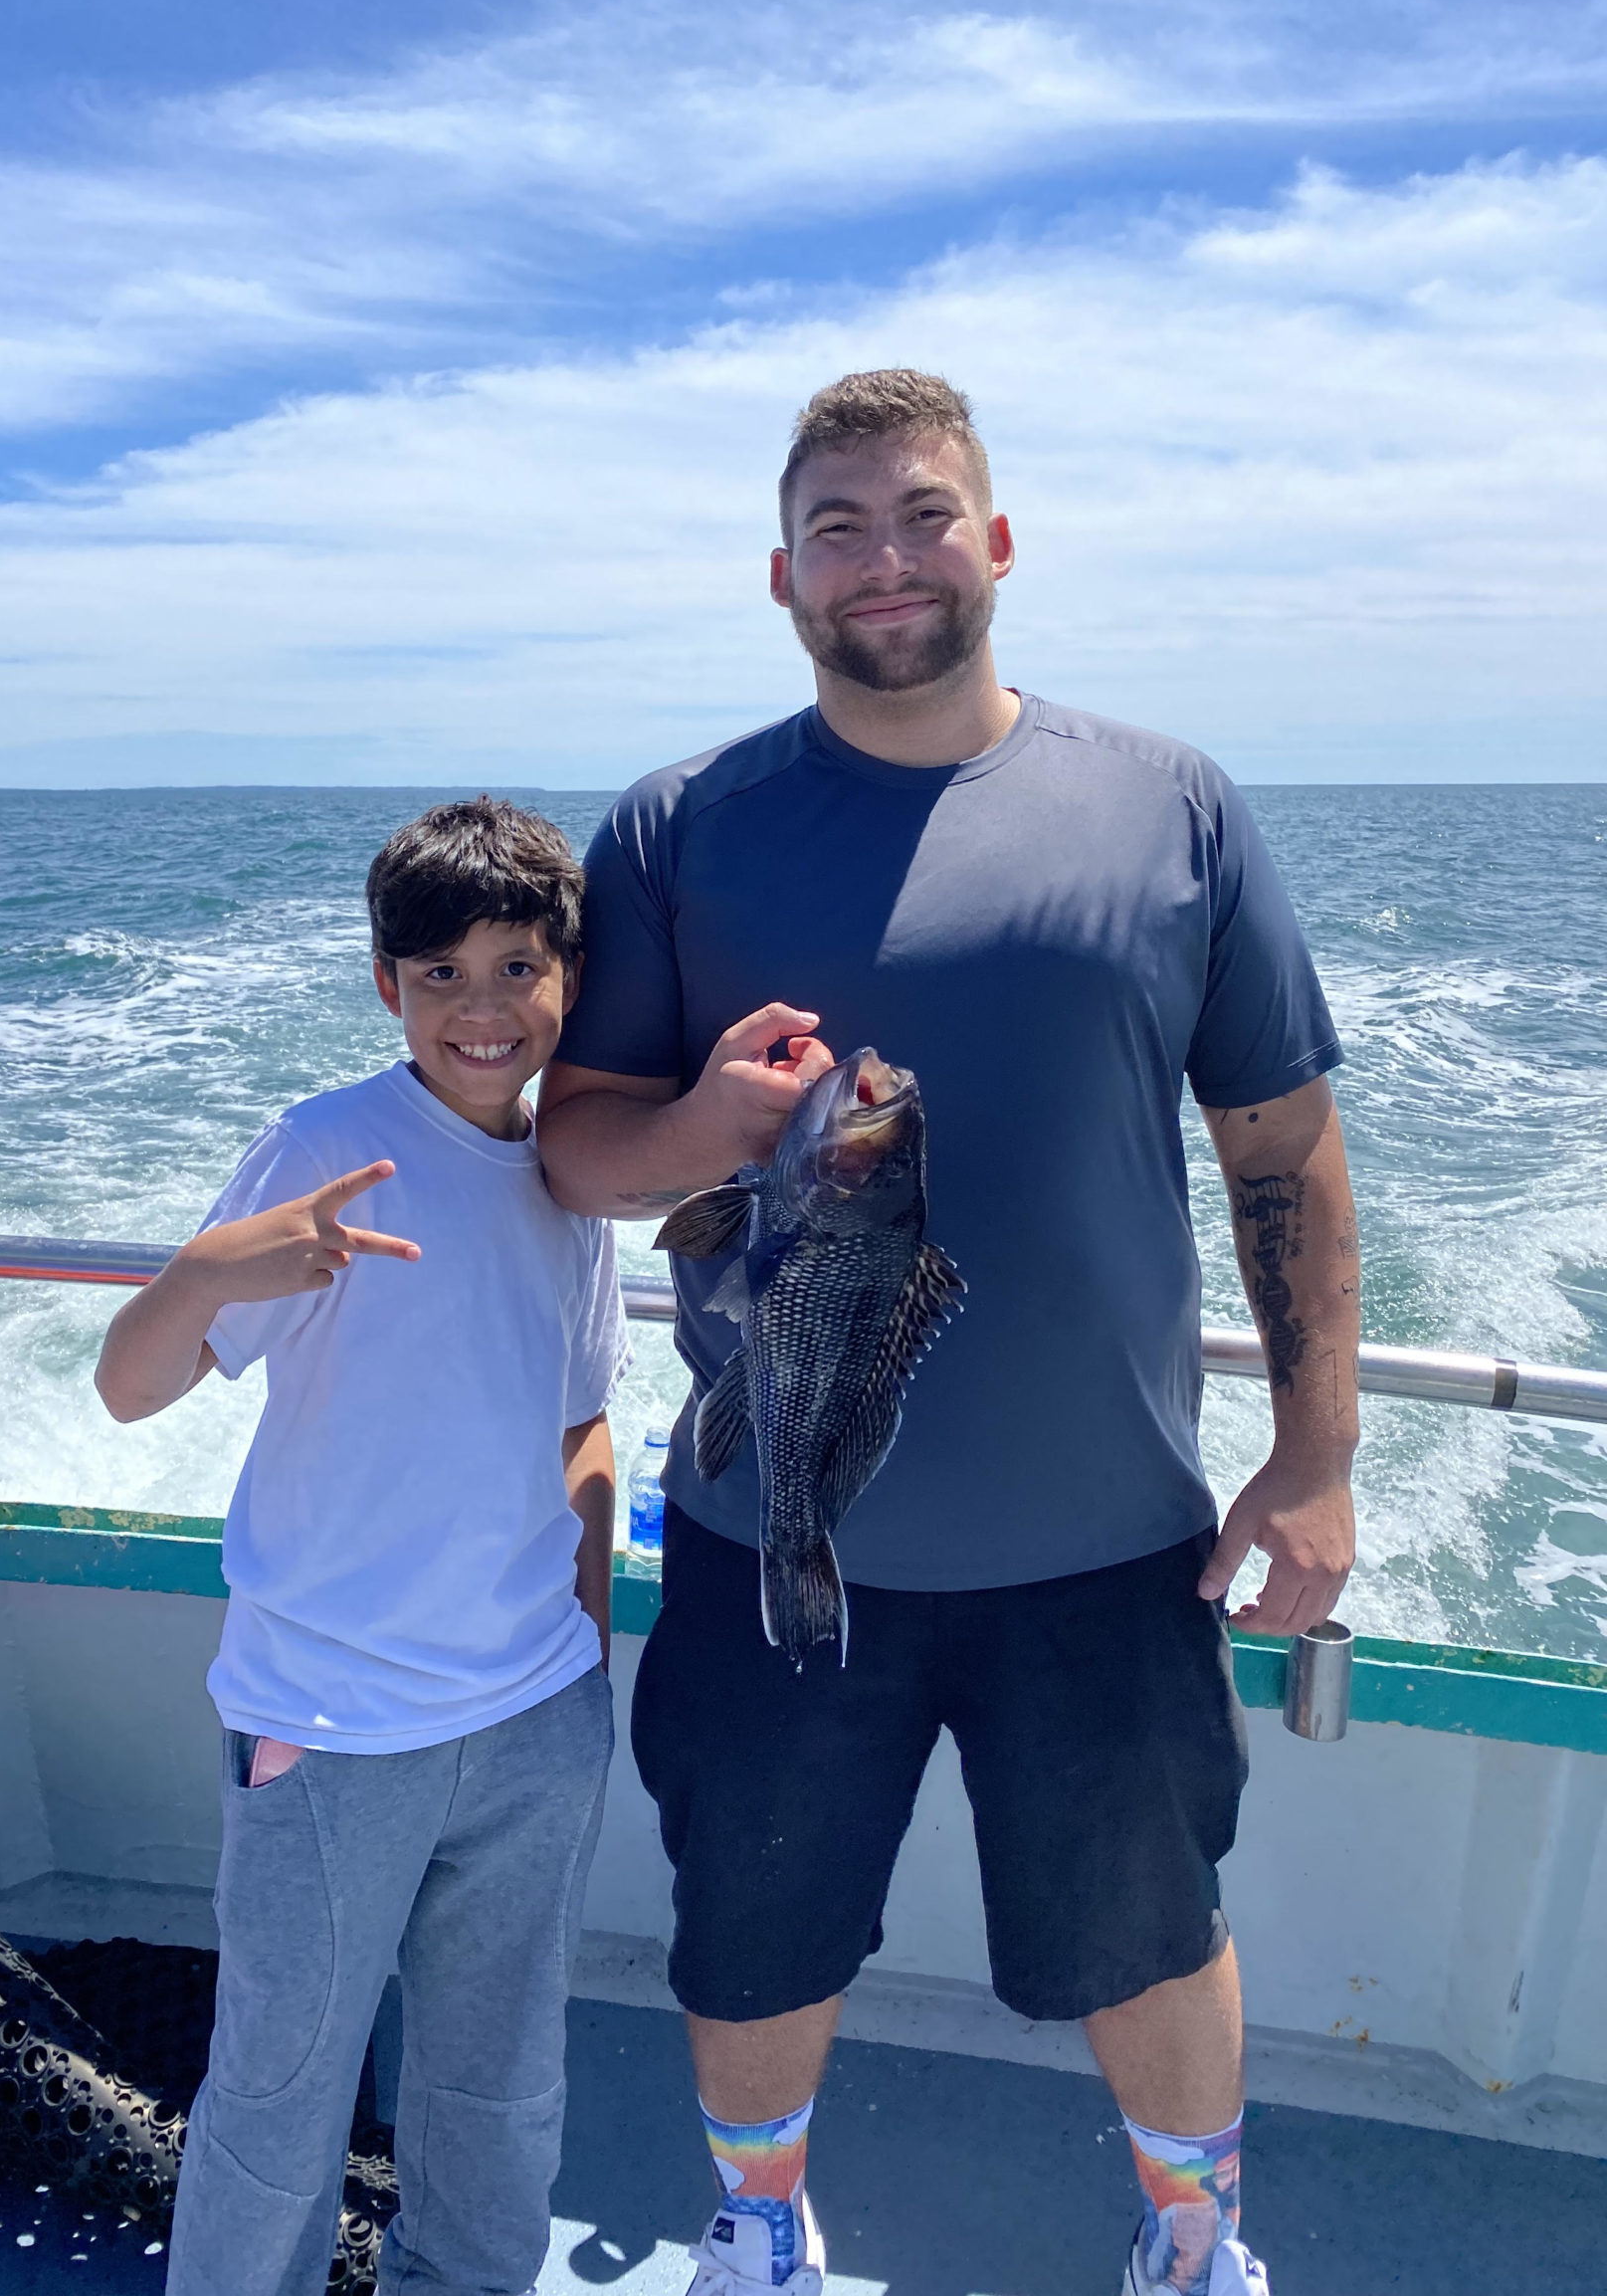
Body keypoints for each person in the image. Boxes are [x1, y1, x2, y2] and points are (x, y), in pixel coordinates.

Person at [536, 371, 1360, 2296]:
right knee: (751, 1926)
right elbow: (579, 1150)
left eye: (921, 516)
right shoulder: (676, 827)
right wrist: (707, 1131)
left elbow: (1282, 1140)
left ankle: (1194, 2243)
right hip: (766, 1522)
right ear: (781, 577)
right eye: (837, 528)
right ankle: (757, 2231)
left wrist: (1317, 1453)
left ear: (995, 542)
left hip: (1110, 1533)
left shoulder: (1173, 804)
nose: (883, 560)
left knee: (1152, 1925)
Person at [96, 797, 628, 2296]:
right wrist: (211, 1270)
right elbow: (128, 1388)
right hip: (329, 1730)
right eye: (440, 972)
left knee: (500, 2085)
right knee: (279, 2093)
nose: (481, 1006)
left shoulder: (572, 1177)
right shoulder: (327, 1148)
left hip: (533, 1719)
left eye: (516, 966)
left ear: (570, 980)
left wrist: (584, 1661)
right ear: (387, 984)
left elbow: (582, 1425)